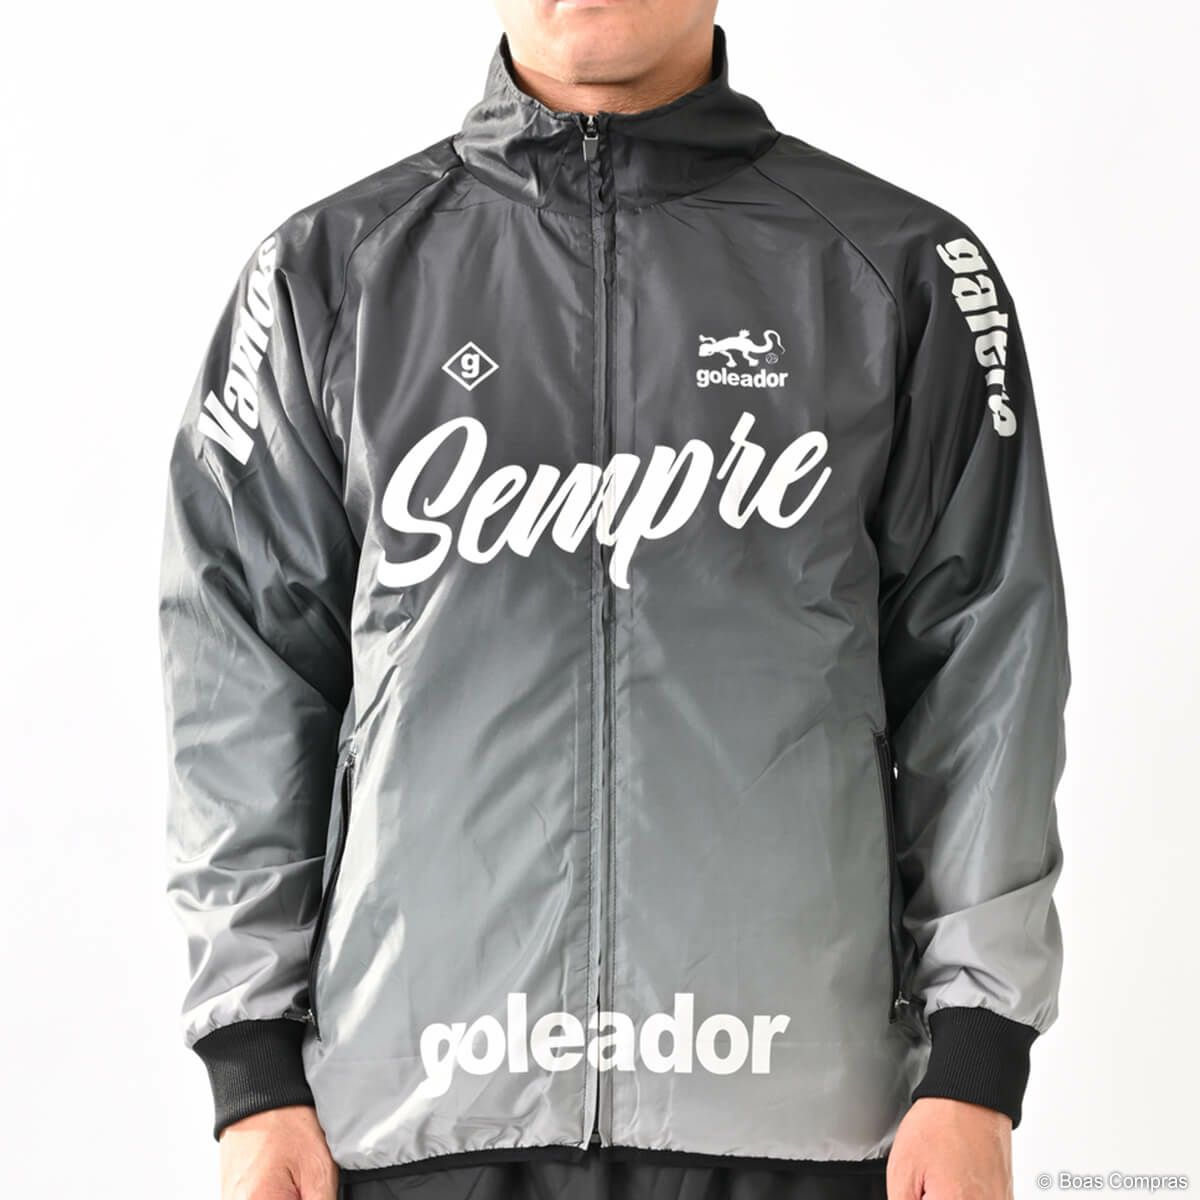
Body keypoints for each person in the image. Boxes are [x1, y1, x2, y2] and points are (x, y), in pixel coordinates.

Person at [157, 3, 1070, 1199]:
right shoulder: (324, 279)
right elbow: (241, 677)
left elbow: (988, 675)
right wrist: (252, 1071)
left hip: (800, 1122)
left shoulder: (899, 272)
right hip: (418, 1121)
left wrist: (976, 1066)